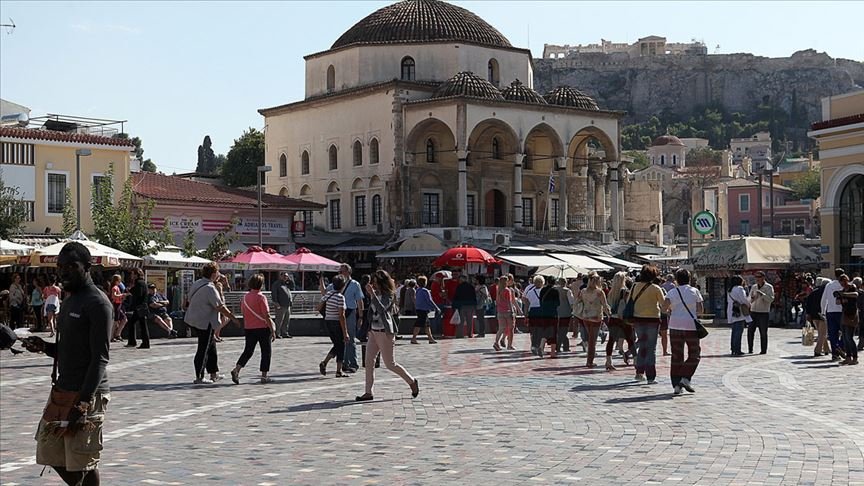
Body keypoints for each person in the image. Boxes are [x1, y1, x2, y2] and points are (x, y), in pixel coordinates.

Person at [21, 242, 112, 486]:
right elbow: (68, 350)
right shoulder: (71, 299)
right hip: (62, 390)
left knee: (82, 459)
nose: (64, 272)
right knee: (49, 450)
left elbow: (100, 358)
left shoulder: (98, 303)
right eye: (61, 267)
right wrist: (45, 347)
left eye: (72, 266)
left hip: (88, 394)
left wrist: (83, 403)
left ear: (88, 267)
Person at [356, 270, 419, 402]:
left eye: (376, 282)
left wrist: (372, 294)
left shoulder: (389, 295)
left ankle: (412, 381)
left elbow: (382, 310)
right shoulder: (376, 294)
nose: (373, 284)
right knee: (368, 362)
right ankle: (368, 392)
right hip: (373, 331)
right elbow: (371, 312)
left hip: (385, 332)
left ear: (381, 282)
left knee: (390, 364)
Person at [184, 263, 240, 384]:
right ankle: (199, 376)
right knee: (203, 349)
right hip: (204, 322)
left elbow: (187, 299)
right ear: (214, 274)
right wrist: (233, 318)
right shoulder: (210, 288)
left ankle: (214, 374)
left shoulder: (197, 283)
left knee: (211, 346)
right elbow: (220, 306)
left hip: (194, 319)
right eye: (218, 273)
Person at [231, 274, 277, 384]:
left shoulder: (245, 297)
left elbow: (243, 312)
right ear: (261, 285)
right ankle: (264, 376)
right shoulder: (261, 297)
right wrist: (272, 330)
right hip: (262, 328)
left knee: (248, 351)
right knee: (266, 352)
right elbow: (266, 315)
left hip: (249, 328)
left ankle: (236, 369)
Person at [664, 268, 703, 395]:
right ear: (689, 278)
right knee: (694, 353)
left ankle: (676, 385)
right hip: (690, 326)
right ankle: (685, 377)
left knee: (676, 355)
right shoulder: (694, 291)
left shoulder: (672, 292)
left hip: (675, 325)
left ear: (676, 279)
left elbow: (664, 308)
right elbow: (700, 310)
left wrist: (671, 310)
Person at [321, 264, 364, 373]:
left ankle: (353, 363)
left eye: (342, 271)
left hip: (350, 312)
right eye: (339, 271)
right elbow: (324, 293)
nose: (340, 273)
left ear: (349, 272)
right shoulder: (336, 283)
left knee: (350, 338)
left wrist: (361, 316)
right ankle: (343, 363)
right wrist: (321, 280)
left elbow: (359, 301)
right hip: (338, 314)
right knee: (342, 339)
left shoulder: (355, 284)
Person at [630, 265, 666, 383]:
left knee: (642, 346)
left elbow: (628, 301)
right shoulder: (656, 288)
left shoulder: (634, 286)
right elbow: (663, 305)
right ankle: (650, 376)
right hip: (652, 320)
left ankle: (639, 372)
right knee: (651, 348)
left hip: (638, 319)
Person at [318, 275, 349, 377]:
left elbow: (318, 307)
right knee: (341, 345)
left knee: (337, 345)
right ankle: (337, 370)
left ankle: (328, 365)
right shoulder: (340, 297)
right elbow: (341, 315)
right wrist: (345, 332)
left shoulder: (329, 294)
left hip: (328, 322)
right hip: (336, 323)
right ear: (343, 286)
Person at [577, 274, 610, 367]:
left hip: (585, 317)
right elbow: (605, 305)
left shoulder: (583, 291)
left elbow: (578, 301)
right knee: (592, 341)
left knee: (590, 338)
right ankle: (589, 361)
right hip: (596, 318)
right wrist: (609, 315)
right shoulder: (599, 292)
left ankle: (589, 360)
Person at [605, 272, 635, 371]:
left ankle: (608, 361)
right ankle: (636, 359)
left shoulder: (611, 292)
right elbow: (627, 305)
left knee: (611, 340)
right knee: (630, 339)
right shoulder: (625, 291)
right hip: (623, 319)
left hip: (613, 318)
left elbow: (609, 305)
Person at [821, 268, 846, 361]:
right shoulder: (844, 285)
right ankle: (840, 346)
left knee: (832, 334)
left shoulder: (829, 285)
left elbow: (824, 299)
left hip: (830, 311)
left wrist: (823, 312)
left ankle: (835, 354)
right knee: (845, 332)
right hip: (842, 312)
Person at [748, 271, 774, 354]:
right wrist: (752, 298)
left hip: (763, 312)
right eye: (756, 277)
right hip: (753, 311)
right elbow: (749, 299)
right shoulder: (754, 287)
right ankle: (750, 349)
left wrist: (762, 295)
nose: (757, 279)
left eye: (759, 277)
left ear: (763, 278)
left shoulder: (769, 287)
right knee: (750, 331)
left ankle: (763, 350)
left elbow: (771, 299)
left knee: (763, 332)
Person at [836, 275, 859, 366]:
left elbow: (856, 294)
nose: (842, 283)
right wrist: (841, 297)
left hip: (852, 314)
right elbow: (837, 302)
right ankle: (848, 357)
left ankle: (855, 357)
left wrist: (844, 295)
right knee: (845, 338)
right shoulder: (842, 290)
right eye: (841, 282)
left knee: (849, 337)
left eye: (843, 281)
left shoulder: (852, 287)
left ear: (846, 280)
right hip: (845, 314)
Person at [124, 268, 150, 349]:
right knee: (139, 324)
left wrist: (130, 290)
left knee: (138, 324)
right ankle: (141, 342)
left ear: (136, 275)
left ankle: (136, 342)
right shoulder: (143, 282)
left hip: (139, 307)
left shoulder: (139, 283)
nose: (132, 276)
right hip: (142, 306)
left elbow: (139, 293)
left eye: (133, 274)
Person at [805, 278, 831, 357]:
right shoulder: (827, 292)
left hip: (814, 315)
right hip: (823, 314)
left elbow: (808, 303)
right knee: (822, 334)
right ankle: (817, 350)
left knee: (821, 333)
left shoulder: (814, 292)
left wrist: (808, 314)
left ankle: (826, 349)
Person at [727, 275, 751, 356]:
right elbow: (744, 300)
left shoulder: (730, 290)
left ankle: (733, 348)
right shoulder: (740, 289)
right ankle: (737, 349)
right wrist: (748, 303)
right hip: (739, 311)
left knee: (734, 331)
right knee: (739, 331)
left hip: (732, 310)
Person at [411, 275, 439, 344]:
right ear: (425, 282)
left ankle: (430, 338)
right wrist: (436, 307)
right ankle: (414, 338)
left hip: (419, 309)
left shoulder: (417, 290)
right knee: (419, 324)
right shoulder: (425, 291)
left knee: (427, 325)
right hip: (423, 310)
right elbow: (429, 300)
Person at [493, 275, 518, 351]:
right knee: (511, 328)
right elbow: (509, 302)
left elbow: (497, 302)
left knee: (501, 329)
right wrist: (512, 311)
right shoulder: (507, 290)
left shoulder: (498, 290)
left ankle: (496, 342)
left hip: (500, 311)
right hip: (507, 311)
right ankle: (509, 345)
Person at [523, 276, 545, 356]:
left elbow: (527, 304)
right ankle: (538, 345)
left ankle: (533, 345)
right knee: (540, 329)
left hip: (532, 311)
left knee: (533, 329)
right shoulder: (545, 291)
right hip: (541, 311)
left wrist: (526, 314)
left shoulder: (530, 292)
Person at [554, 278, 574, 353]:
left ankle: (565, 345)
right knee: (563, 330)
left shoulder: (554, 290)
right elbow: (571, 302)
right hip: (566, 313)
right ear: (565, 283)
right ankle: (559, 346)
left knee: (559, 330)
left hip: (556, 312)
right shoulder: (567, 291)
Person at [272, 272, 294, 339]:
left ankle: (285, 333)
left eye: (287, 276)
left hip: (287, 305)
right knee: (279, 320)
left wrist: (290, 280)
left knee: (286, 320)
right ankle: (277, 333)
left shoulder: (286, 284)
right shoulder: (276, 284)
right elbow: (274, 294)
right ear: (280, 276)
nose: (285, 277)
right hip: (280, 305)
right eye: (284, 276)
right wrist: (276, 303)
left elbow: (293, 286)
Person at [109, 275, 128, 343]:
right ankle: (111, 336)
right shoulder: (115, 287)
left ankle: (117, 334)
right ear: (117, 281)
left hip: (119, 304)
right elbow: (114, 296)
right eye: (119, 280)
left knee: (124, 319)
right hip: (116, 305)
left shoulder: (116, 287)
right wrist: (122, 295)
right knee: (115, 321)